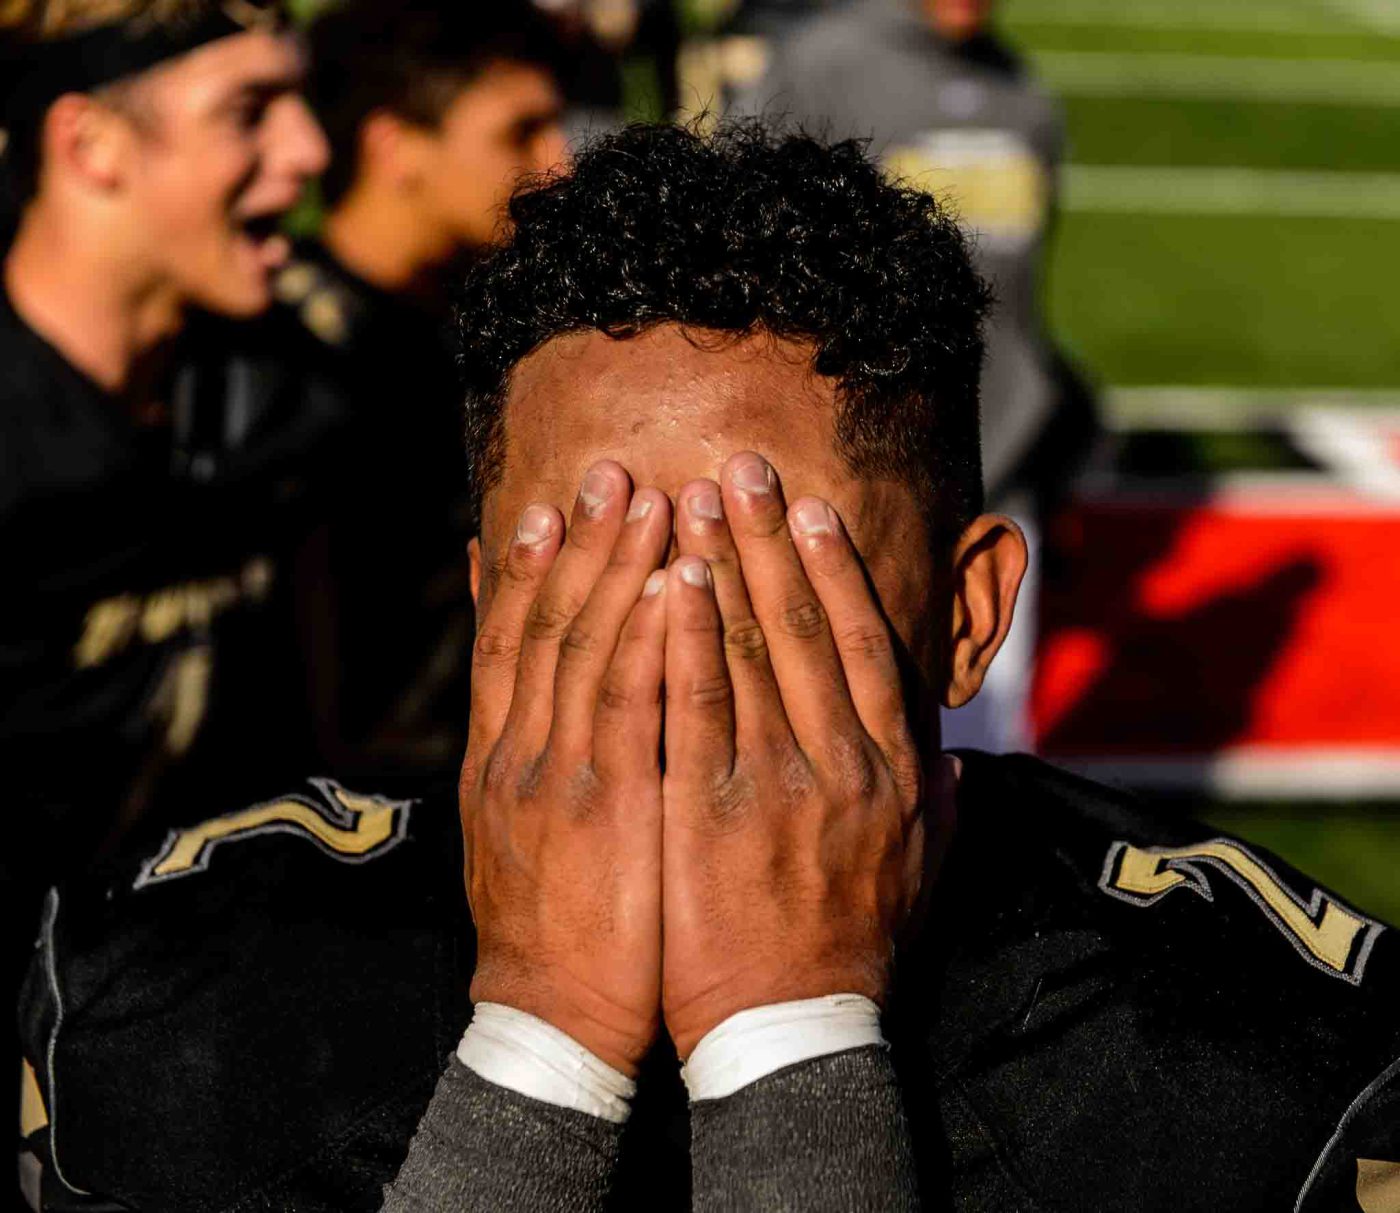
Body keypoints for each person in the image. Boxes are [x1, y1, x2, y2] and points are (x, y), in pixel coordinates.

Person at [18, 124, 1399, 1212]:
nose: (669, 644)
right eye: (594, 559)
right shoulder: (148, 1014)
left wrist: (787, 1032)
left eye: (767, 567)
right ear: (492, 594)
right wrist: (543, 1043)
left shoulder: (1279, 1077)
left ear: (968, 613)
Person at [0, 0, 327, 1183]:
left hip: (213, 1027)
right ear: (93, 147)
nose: (307, 151)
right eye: (249, 111)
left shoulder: (282, 392)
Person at [198, 0, 568, 782]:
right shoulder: (280, 363)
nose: (558, 163)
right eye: (519, 133)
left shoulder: (493, 331)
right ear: (397, 148)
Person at [735, 0, 1100, 754]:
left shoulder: (1024, 96)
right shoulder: (820, 65)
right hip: (841, 474)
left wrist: (1046, 413)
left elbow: (1021, 302)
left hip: (995, 461)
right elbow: (737, 249)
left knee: (986, 753)